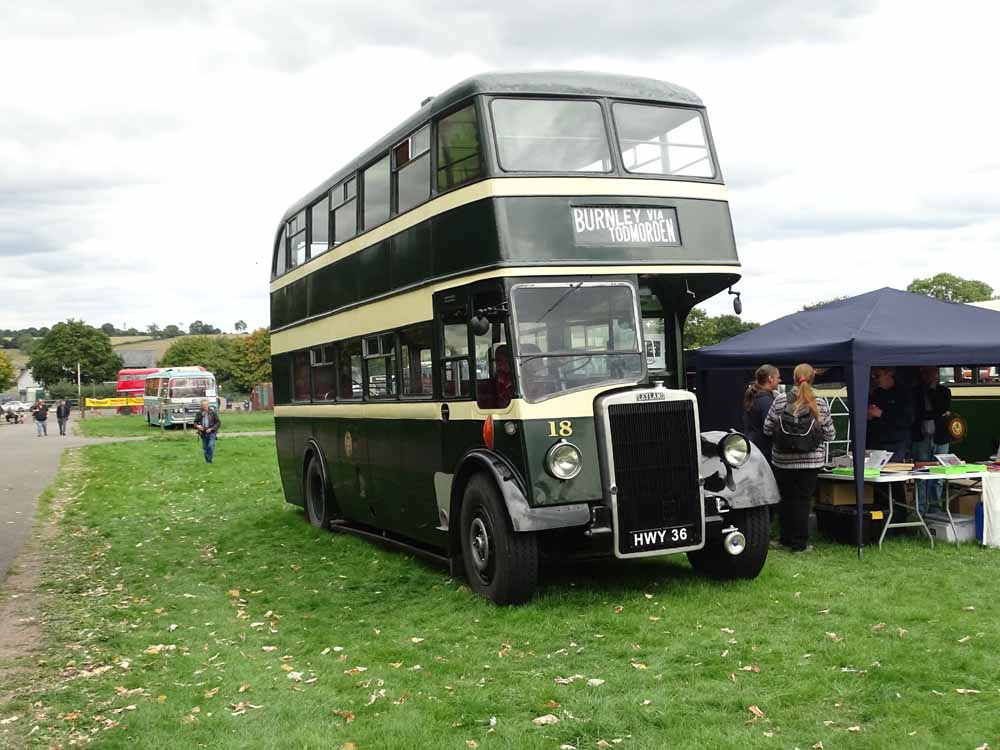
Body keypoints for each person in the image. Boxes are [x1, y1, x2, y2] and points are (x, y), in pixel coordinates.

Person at [763, 363, 836, 552]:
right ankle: (799, 544)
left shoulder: (780, 400)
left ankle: (784, 539)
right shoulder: (820, 402)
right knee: (803, 501)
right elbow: (830, 435)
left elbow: (767, 428)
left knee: (786, 499)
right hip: (811, 461)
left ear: (793, 378)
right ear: (813, 378)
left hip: (783, 460)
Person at [911, 366, 951, 513]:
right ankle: (920, 510)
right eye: (925, 372)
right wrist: (935, 413)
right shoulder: (915, 391)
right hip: (921, 438)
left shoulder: (944, 391)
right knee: (921, 474)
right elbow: (917, 413)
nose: (928, 375)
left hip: (940, 437)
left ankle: (935, 509)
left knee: (939, 475)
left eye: (931, 372)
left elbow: (940, 408)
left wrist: (931, 391)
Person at [867, 367, 914, 461]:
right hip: (875, 441)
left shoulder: (904, 393)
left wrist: (882, 414)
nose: (875, 379)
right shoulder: (876, 393)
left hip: (895, 444)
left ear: (889, 373)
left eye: (877, 376)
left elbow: (907, 420)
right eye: (872, 376)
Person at [742, 364, 781, 462]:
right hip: (764, 450)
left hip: (753, 445)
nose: (780, 380)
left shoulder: (755, 396)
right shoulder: (766, 400)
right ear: (770, 378)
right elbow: (770, 425)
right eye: (778, 377)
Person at [193, 400, 221, 464]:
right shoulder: (199, 413)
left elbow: (218, 423)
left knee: (210, 446)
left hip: (212, 432)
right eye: (203, 405)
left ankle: (209, 461)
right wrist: (198, 426)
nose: (204, 406)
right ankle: (208, 461)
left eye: (205, 405)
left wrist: (211, 429)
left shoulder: (213, 412)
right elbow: (195, 422)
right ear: (201, 406)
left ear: (208, 405)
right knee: (205, 448)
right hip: (203, 433)